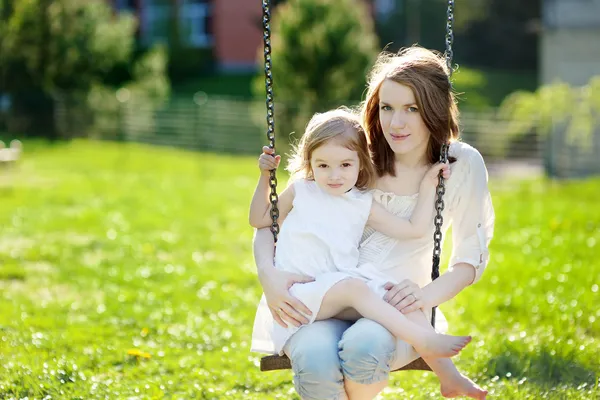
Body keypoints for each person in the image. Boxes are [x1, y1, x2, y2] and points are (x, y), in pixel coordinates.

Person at [252, 46, 494, 400]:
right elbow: (275, 219)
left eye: (412, 108)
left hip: (398, 311)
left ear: (435, 108)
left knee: (363, 347)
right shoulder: (352, 156)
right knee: (315, 359)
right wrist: (268, 275)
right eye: (387, 108)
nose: (396, 123)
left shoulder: (459, 164)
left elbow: (470, 258)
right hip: (323, 297)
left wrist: (423, 297)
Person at [249, 108, 471, 363]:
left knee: (395, 296)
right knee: (356, 288)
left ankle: (448, 374)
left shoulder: (362, 202)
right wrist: (265, 178)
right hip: (297, 294)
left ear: (361, 162)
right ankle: (421, 340)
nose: (334, 175)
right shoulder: (301, 191)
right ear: (309, 163)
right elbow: (259, 219)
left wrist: (428, 187)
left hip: (336, 288)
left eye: (345, 165)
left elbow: (413, 229)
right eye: (323, 165)